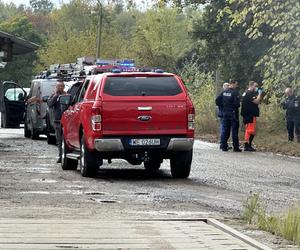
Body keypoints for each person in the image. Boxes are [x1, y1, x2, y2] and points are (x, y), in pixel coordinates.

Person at [216, 80, 241, 152]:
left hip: (225, 113)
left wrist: (223, 106)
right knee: (234, 130)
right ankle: (236, 147)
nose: (237, 86)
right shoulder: (235, 92)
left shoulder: (224, 92)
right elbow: (237, 104)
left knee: (225, 130)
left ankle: (224, 146)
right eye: (236, 84)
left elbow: (217, 100)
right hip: (233, 113)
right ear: (232, 84)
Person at [47, 80, 66, 163]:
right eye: (59, 86)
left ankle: (65, 156)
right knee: (59, 140)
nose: (60, 88)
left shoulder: (66, 95)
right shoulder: (54, 95)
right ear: (56, 87)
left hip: (65, 121)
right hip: (57, 121)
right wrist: (55, 96)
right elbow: (50, 104)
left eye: (62, 86)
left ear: (64, 87)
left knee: (65, 139)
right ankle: (60, 156)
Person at [241, 81, 263, 151]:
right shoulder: (249, 93)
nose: (256, 88)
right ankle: (247, 145)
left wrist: (256, 96)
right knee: (250, 131)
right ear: (251, 85)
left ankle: (248, 144)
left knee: (249, 130)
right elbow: (256, 101)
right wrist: (259, 94)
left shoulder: (245, 93)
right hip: (250, 114)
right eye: (255, 86)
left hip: (246, 114)